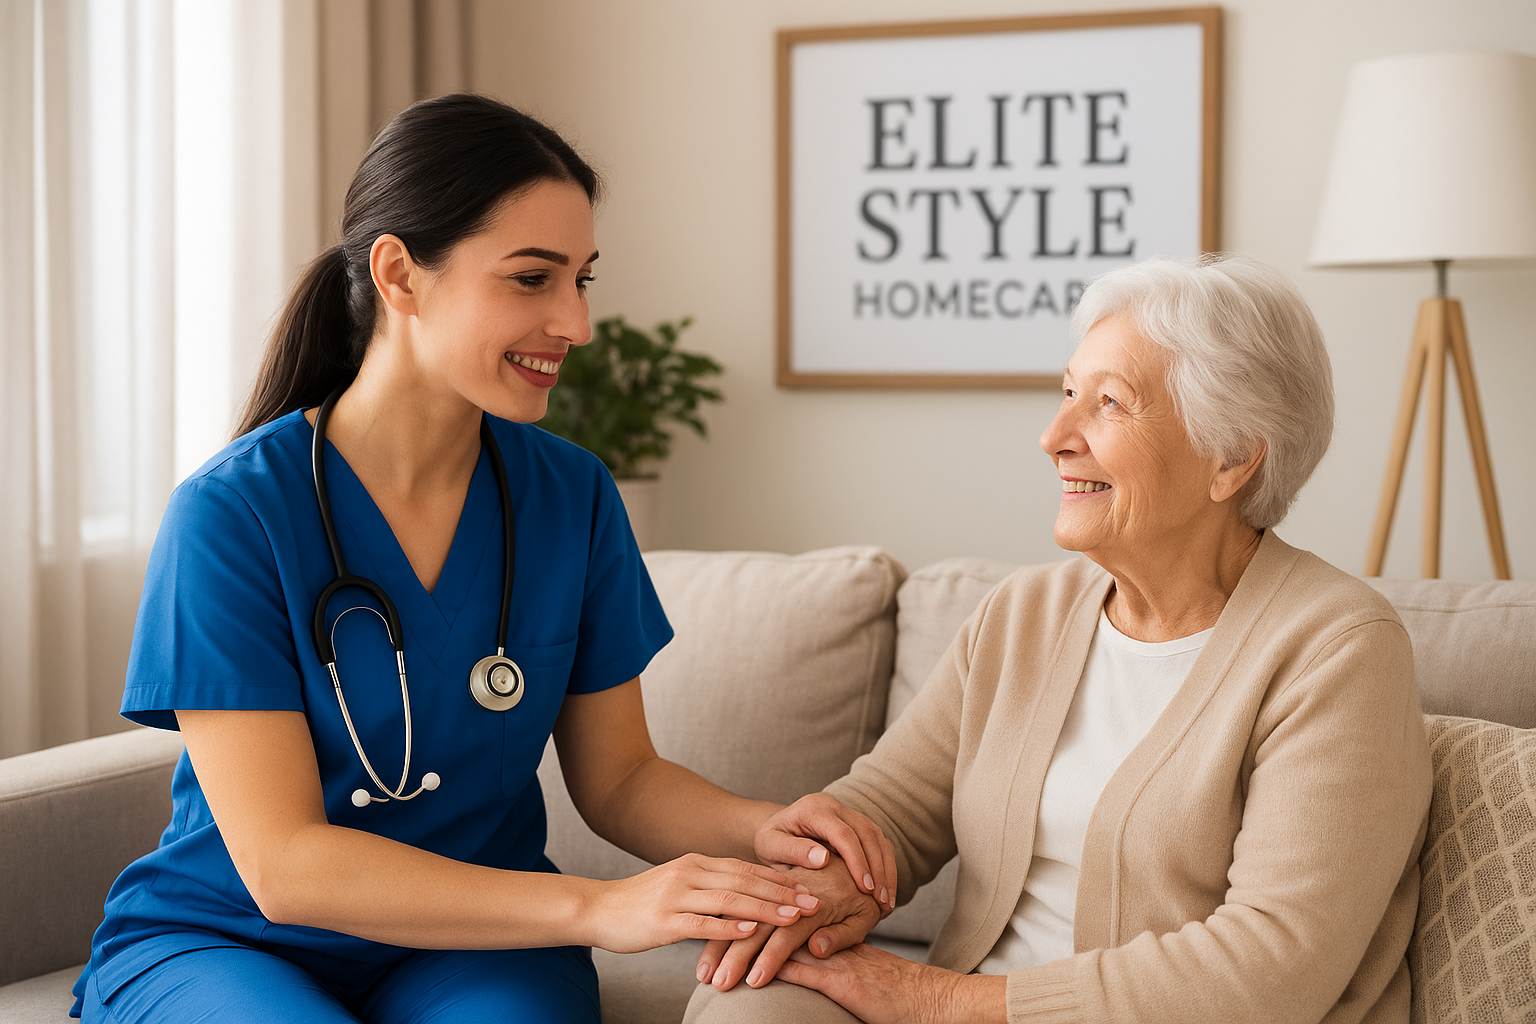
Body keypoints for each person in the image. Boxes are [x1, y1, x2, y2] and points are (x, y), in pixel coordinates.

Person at [71, 94, 894, 1024]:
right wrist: (598, 907)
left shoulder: (572, 497)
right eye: (533, 279)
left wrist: (764, 827)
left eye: (583, 279)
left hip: (478, 944)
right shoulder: (233, 516)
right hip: (228, 937)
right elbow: (285, 865)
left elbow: (620, 778)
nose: (576, 323)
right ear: (398, 274)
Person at [685, 255, 1433, 1024]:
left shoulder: (1338, 650)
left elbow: (1270, 969)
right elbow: (893, 810)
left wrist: (931, 998)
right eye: (1067, 392)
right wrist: (817, 889)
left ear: (1234, 455)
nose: (1054, 436)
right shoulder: (1024, 614)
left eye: (1108, 403)